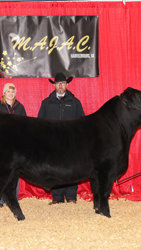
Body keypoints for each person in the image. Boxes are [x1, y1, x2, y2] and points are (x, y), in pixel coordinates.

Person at [38, 72, 85, 205]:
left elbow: (82, 122)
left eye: (63, 83)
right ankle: (57, 197)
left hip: (71, 142)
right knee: (55, 169)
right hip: (52, 142)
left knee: (72, 169)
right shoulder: (46, 103)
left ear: (67, 85)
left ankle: (71, 197)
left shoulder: (75, 102)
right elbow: (40, 124)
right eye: (58, 83)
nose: (60, 85)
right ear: (54, 86)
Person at [0, 83, 27, 207]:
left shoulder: (20, 107)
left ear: (15, 93)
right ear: (4, 93)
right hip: (1, 145)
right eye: (8, 91)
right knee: (1, 172)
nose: (10, 94)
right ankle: (0, 199)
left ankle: (13, 198)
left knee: (15, 172)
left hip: (16, 145)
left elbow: (25, 125)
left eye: (12, 92)